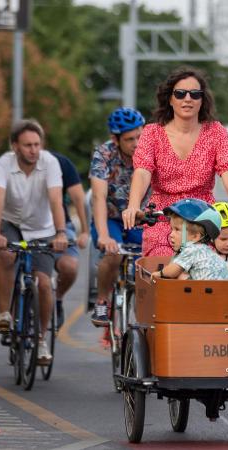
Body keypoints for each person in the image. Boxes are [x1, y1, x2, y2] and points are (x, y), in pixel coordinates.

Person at [121, 66, 228, 256]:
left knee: (211, 269)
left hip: (203, 219)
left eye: (195, 94)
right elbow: (142, 171)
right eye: (180, 93)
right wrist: (134, 206)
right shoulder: (152, 132)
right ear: (170, 98)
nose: (187, 99)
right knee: (163, 267)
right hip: (163, 218)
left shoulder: (215, 132)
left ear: (202, 101)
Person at [0, 119, 68, 366]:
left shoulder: (50, 163)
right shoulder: (3, 164)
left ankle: (42, 338)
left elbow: (56, 199)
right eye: (27, 145)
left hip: (41, 228)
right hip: (11, 223)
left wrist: (61, 233)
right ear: (15, 146)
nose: (33, 150)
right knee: (6, 255)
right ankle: (4, 312)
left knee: (44, 283)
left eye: (37, 144)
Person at [89, 107, 148, 326]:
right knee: (113, 253)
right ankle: (103, 301)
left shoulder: (153, 152)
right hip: (111, 216)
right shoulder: (103, 154)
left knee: (152, 256)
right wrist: (104, 236)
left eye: (139, 136)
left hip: (141, 217)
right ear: (115, 139)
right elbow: (98, 195)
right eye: (129, 139)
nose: (136, 143)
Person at [49, 151, 90, 329]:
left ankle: (57, 298)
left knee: (70, 267)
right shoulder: (10, 167)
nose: (32, 150)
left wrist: (84, 231)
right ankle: (8, 313)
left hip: (60, 226)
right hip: (24, 227)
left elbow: (78, 197)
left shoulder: (61, 162)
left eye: (36, 144)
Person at [150, 199, 228, 281]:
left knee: (179, 277)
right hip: (224, 288)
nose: (171, 234)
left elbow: (172, 271)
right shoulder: (204, 250)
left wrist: (160, 273)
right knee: (182, 276)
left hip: (207, 290)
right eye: (171, 229)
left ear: (195, 237)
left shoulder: (191, 250)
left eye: (177, 230)